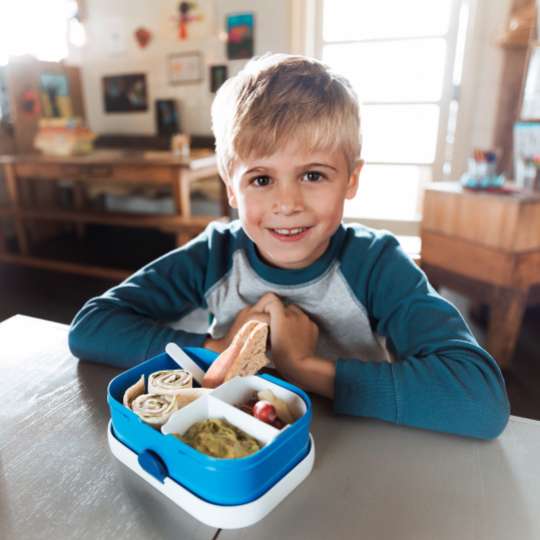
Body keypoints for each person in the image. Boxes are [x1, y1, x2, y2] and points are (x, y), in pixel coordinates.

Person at [69, 53, 509, 439]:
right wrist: (217, 350)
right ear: (230, 187)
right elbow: (91, 326)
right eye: (261, 179)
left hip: (359, 454)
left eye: (313, 175)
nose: (287, 204)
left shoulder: (376, 265)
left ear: (351, 179)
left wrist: (302, 365)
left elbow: (480, 398)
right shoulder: (215, 255)